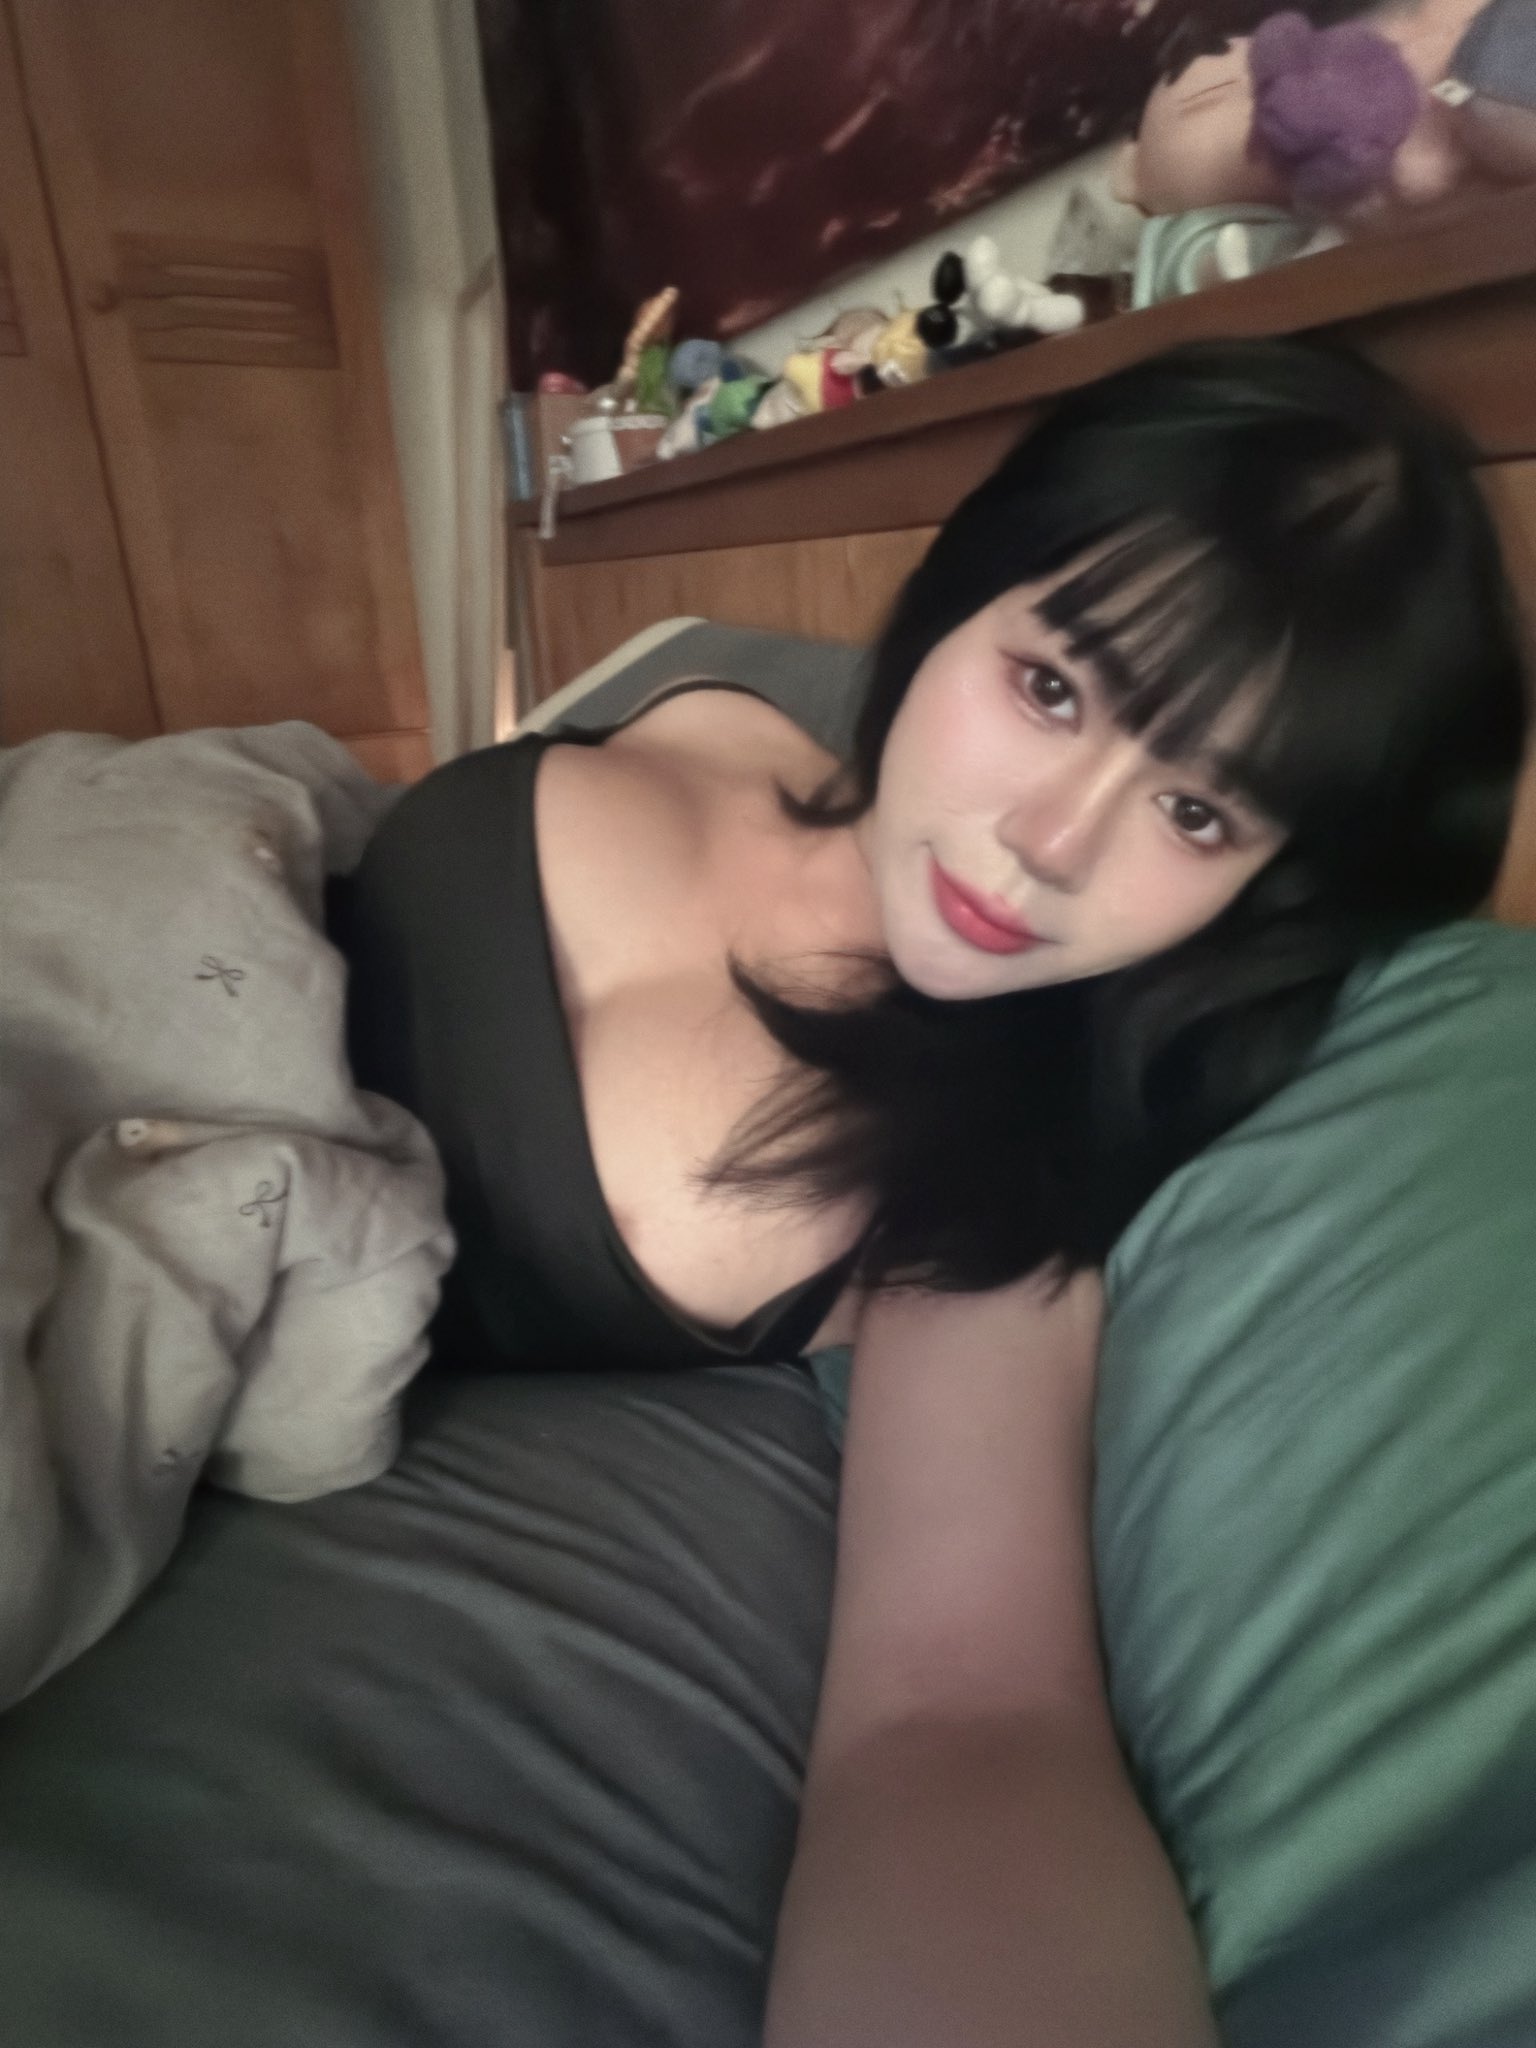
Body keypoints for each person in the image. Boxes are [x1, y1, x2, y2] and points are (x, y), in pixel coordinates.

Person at [337, 339, 1529, 2045]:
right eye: (1051, 687)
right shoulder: (725, 710)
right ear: (964, 593)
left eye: (1197, 811)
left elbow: (964, 1721)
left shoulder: (1001, 1181)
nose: (1050, 841)